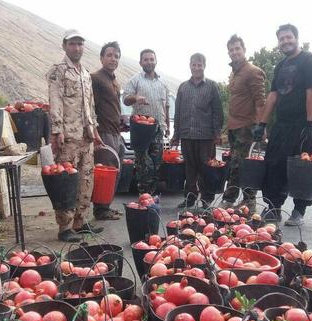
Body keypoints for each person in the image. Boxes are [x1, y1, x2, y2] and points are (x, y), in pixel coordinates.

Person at [253, 23, 312, 226]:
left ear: (296, 38)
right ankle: (274, 207)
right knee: (273, 165)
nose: (285, 41)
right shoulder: (281, 66)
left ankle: (299, 211)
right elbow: (273, 95)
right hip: (282, 125)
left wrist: (310, 125)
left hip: (303, 124)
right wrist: (262, 123)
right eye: (281, 39)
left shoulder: (309, 61)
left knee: (304, 169)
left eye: (288, 37)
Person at [46, 29, 104, 242]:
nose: (77, 48)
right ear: (64, 46)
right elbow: (55, 101)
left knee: (86, 180)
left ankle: (80, 222)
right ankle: (65, 228)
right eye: (72, 44)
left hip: (86, 136)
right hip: (68, 137)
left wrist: (95, 130)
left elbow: (90, 105)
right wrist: (56, 130)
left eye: (80, 44)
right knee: (67, 182)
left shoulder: (85, 74)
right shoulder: (58, 71)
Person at [220, 34, 267, 213]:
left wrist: (261, 125)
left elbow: (260, 100)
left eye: (237, 48)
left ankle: (233, 200)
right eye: (231, 50)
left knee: (240, 165)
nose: (234, 52)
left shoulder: (253, 71)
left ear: (244, 50)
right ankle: (246, 201)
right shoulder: (234, 73)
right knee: (239, 164)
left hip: (247, 127)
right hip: (234, 127)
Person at [170, 53, 223, 209]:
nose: (197, 67)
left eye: (199, 65)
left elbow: (217, 111)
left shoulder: (212, 86)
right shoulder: (183, 87)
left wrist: (217, 132)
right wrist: (176, 134)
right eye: (194, 64)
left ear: (204, 66)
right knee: (190, 169)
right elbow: (177, 113)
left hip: (206, 136)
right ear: (190, 66)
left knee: (206, 168)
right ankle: (190, 198)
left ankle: (206, 199)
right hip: (187, 135)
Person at [123, 49, 170, 196]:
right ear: (141, 62)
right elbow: (125, 99)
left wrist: (167, 124)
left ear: (156, 61)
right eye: (146, 59)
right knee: (144, 165)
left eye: (151, 59)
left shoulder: (163, 82)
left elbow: (166, 106)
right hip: (141, 131)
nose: (149, 62)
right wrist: (135, 98)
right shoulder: (135, 80)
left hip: (158, 129)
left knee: (156, 164)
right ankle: (143, 196)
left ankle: (153, 197)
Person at [91, 41, 126, 221]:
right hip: (103, 132)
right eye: (109, 55)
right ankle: (100, 209)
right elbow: (90, 106)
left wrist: (121, 119)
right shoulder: (95, 78)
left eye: (116, 56)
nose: (113, 59)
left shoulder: (114, 81)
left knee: (115, 172)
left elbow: (113, 106)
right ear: (102, 57)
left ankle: (107, 206)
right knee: (105, 172)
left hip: (116, 132)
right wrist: (94, 132)